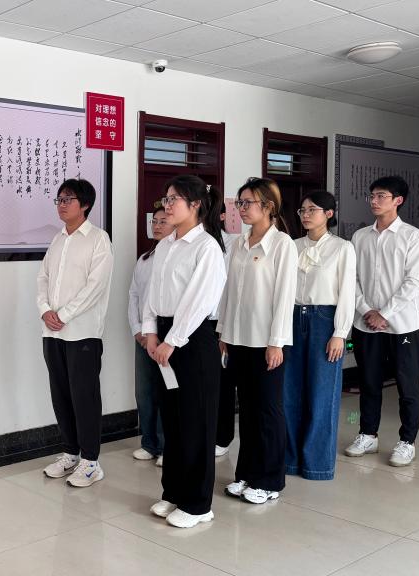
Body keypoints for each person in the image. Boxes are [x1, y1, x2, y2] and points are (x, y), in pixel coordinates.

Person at [141, 175, 226, 528]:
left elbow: (199, 301)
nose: (167, 205)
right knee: (173, 420)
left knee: (196, 423)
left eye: (174, 198)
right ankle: (173, 492)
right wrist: (150, 332)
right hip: (164, 336)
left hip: (192, 340)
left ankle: (198, 504)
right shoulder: (165, 245)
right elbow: (152, 293)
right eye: (166, 198)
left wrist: (172, 340)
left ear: (195, 205)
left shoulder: (207, 247)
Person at [217, 177, 297, 505]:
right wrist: (223, 332)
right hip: (238, 339)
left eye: (247, 202)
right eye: (240, 203)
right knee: (247, 411)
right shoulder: (238, 243)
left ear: (268, 206)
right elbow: (227, 291)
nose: (242, 208)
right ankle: (247, 474)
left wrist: (276, 342)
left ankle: (269, 480)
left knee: (268, 410)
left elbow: (284, 297)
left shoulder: (283, 245)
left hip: (267, 342)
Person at [345, 175, 419, 467]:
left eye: (381, 196)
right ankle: (368, 434)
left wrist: (385, 313)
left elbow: (414, 282)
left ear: (398, 200)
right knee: (369, 382)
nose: (374, 201)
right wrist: (367, 310)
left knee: (408, 387)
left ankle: (407, 441)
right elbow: (352, 279)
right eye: (372, 195)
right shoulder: (360, 237)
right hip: (366, 325)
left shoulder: (413, 237)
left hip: (403, 326)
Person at [38, 179, 114, 488]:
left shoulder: (98, 239)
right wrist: (45, 310)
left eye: (68, 199)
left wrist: (64, 315)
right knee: (61, 394)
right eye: (59, 199)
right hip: (52, 332)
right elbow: (42, 278)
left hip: (83, 333)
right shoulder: (57, 240)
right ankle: (70, 453)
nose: (61, 204)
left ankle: (91, 462)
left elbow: (95, 287)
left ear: (85, 204)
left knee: (85, 397)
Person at [284, 191, 356, 480]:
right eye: (302, 210)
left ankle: (317, 465)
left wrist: (340, 333)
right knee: (289, 392)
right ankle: (290, 460)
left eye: (312, 209)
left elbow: (347, 293)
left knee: (321, 393)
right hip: (291, 318)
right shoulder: (292, 246)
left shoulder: (342, 248)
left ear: (328, 214)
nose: (305, 215)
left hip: (324, 319)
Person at [129, 206, 175, 467]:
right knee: (145, 392)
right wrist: (138, 329)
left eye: (163, 221)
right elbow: (134, 295)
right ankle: (149, 443)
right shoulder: (145, 259)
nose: (156, 226)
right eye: (154, 221)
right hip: (143, 337)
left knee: (167, 391)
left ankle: (168, 445)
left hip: (166, 337)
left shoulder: (177, 256)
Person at [215, 203, 238, 457]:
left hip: (221, 321)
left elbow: (229, 286)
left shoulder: (232, 243)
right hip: (196, 322)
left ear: (223, 215)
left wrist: (224, 326)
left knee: (223, 382)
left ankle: (223, 437)